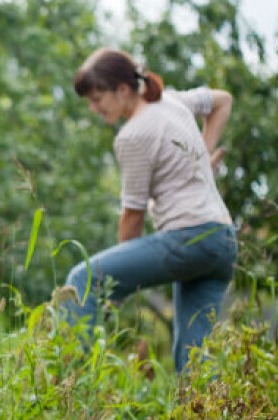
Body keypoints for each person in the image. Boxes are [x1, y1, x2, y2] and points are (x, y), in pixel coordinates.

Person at [62, 48, 238, 372]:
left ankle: (71, 393)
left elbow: (133, 215)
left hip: (189, 237)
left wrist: (118, 285)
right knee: (193, 361)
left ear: (123, 89)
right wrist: (203, 153)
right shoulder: (173, 101)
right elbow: (223, 100)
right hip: (222, 241)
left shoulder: (133, 134)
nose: (93, 107)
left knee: (83, 279)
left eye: (98, 98)